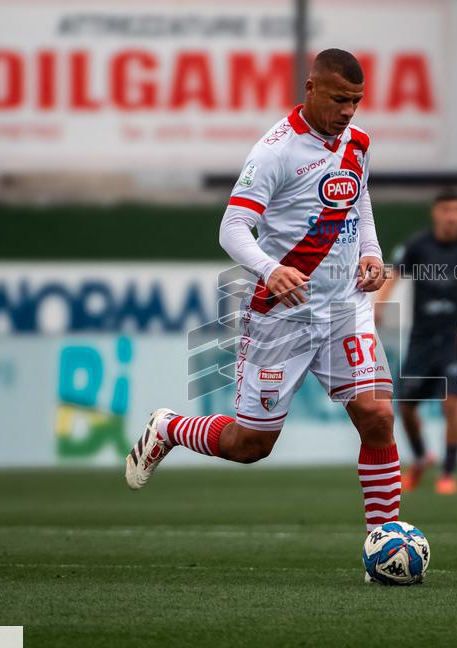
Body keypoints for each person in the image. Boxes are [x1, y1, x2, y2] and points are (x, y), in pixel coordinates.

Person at [125, 49, 401, 536]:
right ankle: (169, 427)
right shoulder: (274, 151)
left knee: (377, 416)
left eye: (356, 101)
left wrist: (371, 252)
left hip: (344, 308)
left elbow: (360, 201)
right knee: (250, 445)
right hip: (282, 315)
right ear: (311, 89)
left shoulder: (357, 143)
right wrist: (270, 270)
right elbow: (232, 229)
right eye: (339, 99)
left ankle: (385, 541)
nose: (348, 111)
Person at [374, 189, 457, 494]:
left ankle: (449, 472)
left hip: (453, 340)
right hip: (421, 339)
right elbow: (394, 275)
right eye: (446, 210)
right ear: (436, 213)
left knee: (450, 402)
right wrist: (379, 306)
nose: (451, 216)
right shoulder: (418, 246)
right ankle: (419, 458)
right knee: (404, 407)